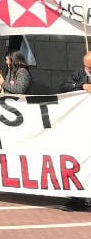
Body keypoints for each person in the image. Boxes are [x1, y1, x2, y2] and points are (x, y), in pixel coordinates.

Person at [58, 51, 91, 211]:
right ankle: (77, 198)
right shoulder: (79, 73)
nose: (89, 70)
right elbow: (63, 87)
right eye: (87, 67)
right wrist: (81, 86)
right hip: (80, 125)